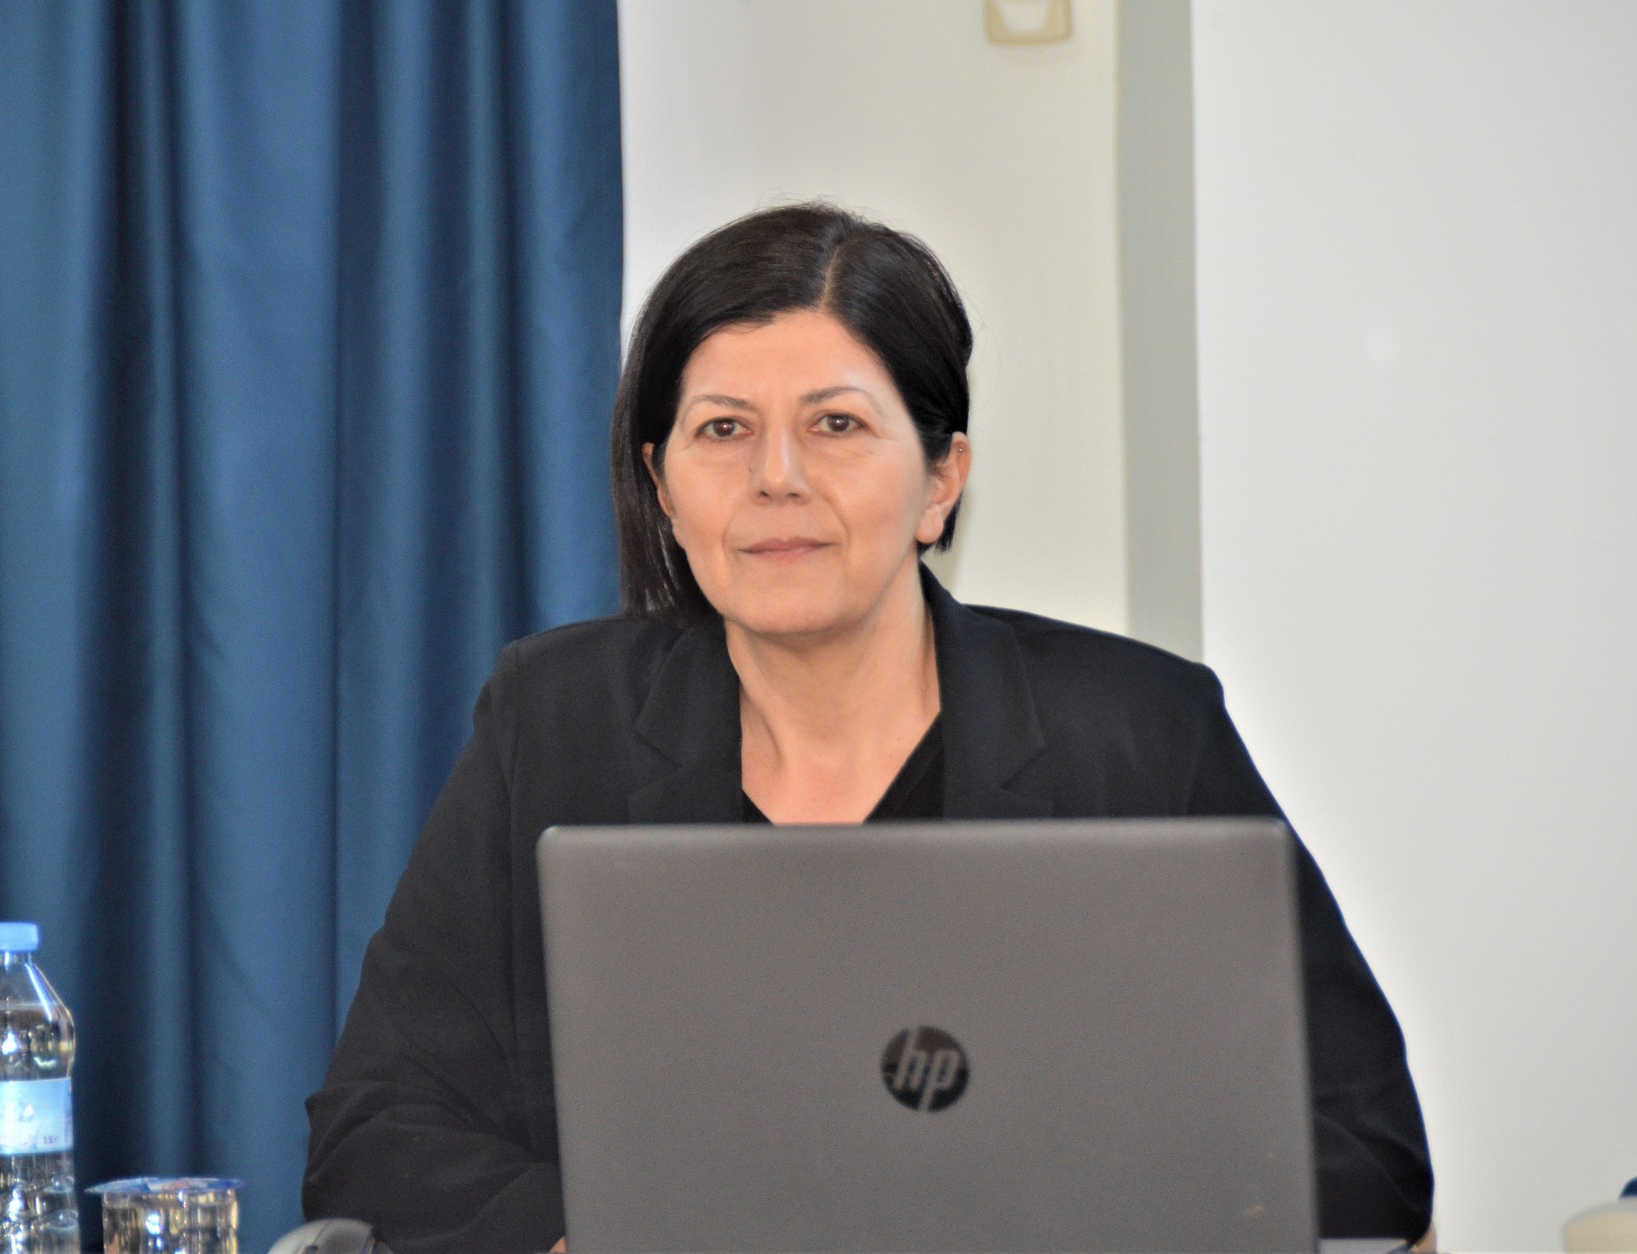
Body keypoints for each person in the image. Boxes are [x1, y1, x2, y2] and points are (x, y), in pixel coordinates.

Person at [302, 203, 1435, 1252]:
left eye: (836, 425)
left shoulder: (1138, 733)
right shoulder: (554, 722)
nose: (777, 478)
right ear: (663, 486)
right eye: (723, 430)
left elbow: (1363, 1150)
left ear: (941, 481)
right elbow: (374, 1131)